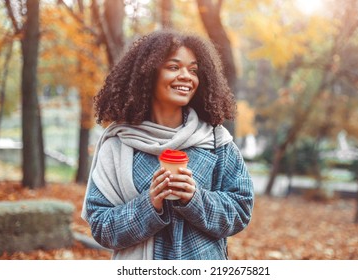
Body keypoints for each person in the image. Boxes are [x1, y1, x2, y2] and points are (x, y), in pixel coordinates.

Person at [81, 29, 254, 260]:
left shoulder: (215, 141)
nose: (186, 76)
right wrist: (149, 204)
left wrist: (195, 198)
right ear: (148, 75)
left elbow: (240, 210)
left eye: (193, 70)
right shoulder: (118, 145)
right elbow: (101, 228)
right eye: (174, 67)